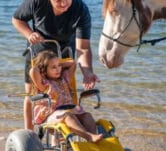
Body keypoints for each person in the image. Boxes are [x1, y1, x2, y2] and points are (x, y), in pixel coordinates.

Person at [12, 0, 100, 129]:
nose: (63, 3)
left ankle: (58, 137)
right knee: (32, 95)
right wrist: (29, 34)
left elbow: (84, 48)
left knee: (63, 94)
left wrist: (87, 73)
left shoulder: (81, 9)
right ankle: (29, 134)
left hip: (63, 55)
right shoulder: (37, 2)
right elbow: (17, 19)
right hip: (38, 55)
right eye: (58, 0)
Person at [29, 50, 103, 142]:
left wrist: (56, 63)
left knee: (87, 116)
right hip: (52, 115)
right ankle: (89, 136)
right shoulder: (44, 84)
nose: (58, 69)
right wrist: (44, 65)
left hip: (70, 111)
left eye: (59, 66)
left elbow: (72, 63)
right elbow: (33, 70)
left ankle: (94, 138)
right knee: (68, 116)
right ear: (44, 70)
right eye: (53, 67)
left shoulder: (64, 78)